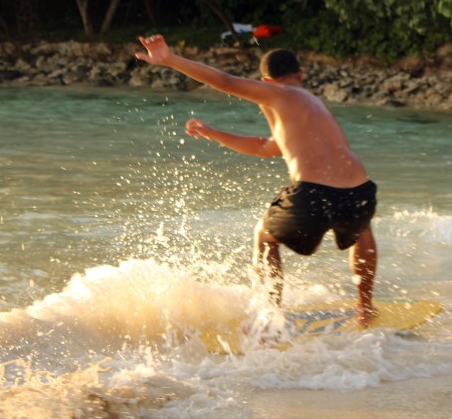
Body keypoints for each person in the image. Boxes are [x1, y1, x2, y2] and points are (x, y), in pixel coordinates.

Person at [135, 35, 379, 326]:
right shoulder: (312, 105)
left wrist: (169, 59)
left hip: (313, 192)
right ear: (301, 74)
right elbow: (267, 148)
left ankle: (270, 321)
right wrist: (213, 133)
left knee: (264, 237)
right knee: (361, 228)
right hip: (360, 190)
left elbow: (224, 81)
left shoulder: (278, 94)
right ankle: (365, 308)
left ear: (265, 80)